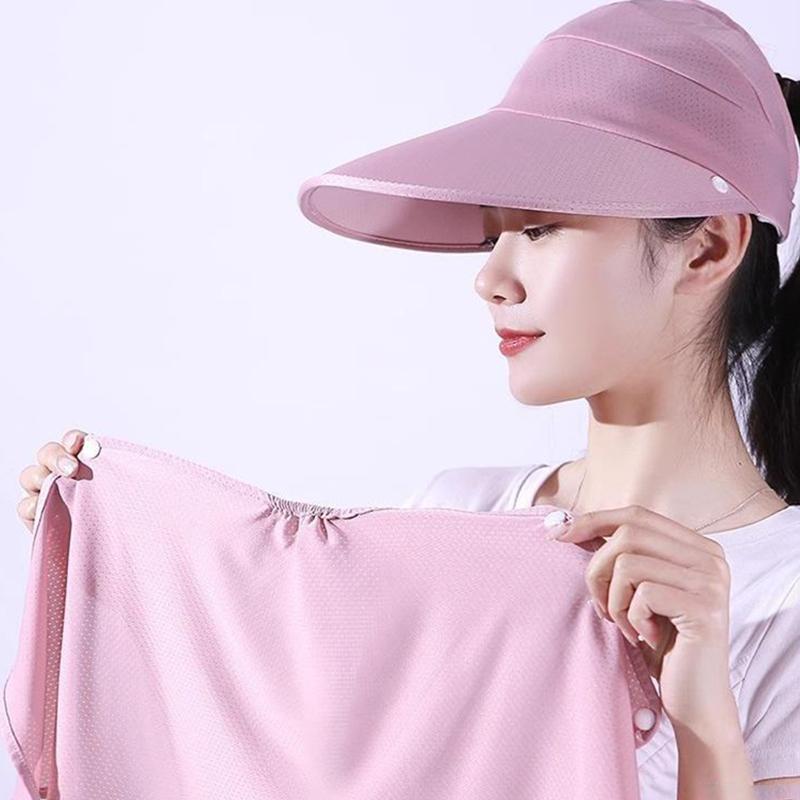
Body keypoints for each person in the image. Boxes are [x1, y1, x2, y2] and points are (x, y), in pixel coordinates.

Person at [15, 0, 800, 798]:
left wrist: (704, 715)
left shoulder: (785, 597)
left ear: (707, 248)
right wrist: (109, 548)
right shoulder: (462, 513)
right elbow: (280, 742)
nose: (490, 278)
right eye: (492, 235)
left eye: (539, 229)